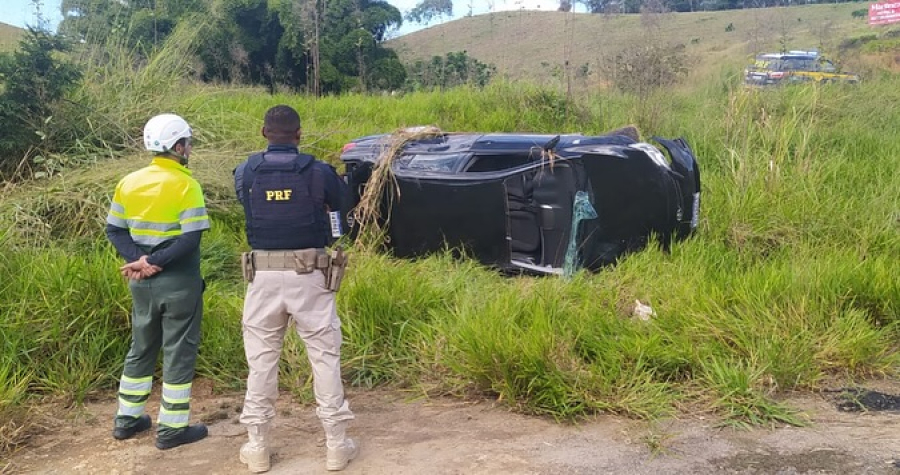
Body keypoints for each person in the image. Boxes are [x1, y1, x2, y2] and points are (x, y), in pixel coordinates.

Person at [233, 105, 356, 473]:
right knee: (324, 357)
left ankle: (256, 448)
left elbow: (247, 204)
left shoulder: (247, 170)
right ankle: (336, 447)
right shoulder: (318, 171)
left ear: (263, 132)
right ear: (299, 134)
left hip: (263, 277)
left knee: (261, 361)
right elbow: (344, 208)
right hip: (311, 276)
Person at [105, 113, 210, 450]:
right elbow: (190, 239)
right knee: (179, 351)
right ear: (178, 146)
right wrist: (153, 261)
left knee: (141, 348)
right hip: (178, 281)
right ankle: (172, 429)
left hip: (140, 282)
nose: (189, 148)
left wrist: (138, 260)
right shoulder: (185, 184)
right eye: (188, 143)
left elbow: (115, 229)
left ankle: (127, 420)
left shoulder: (129, 181)